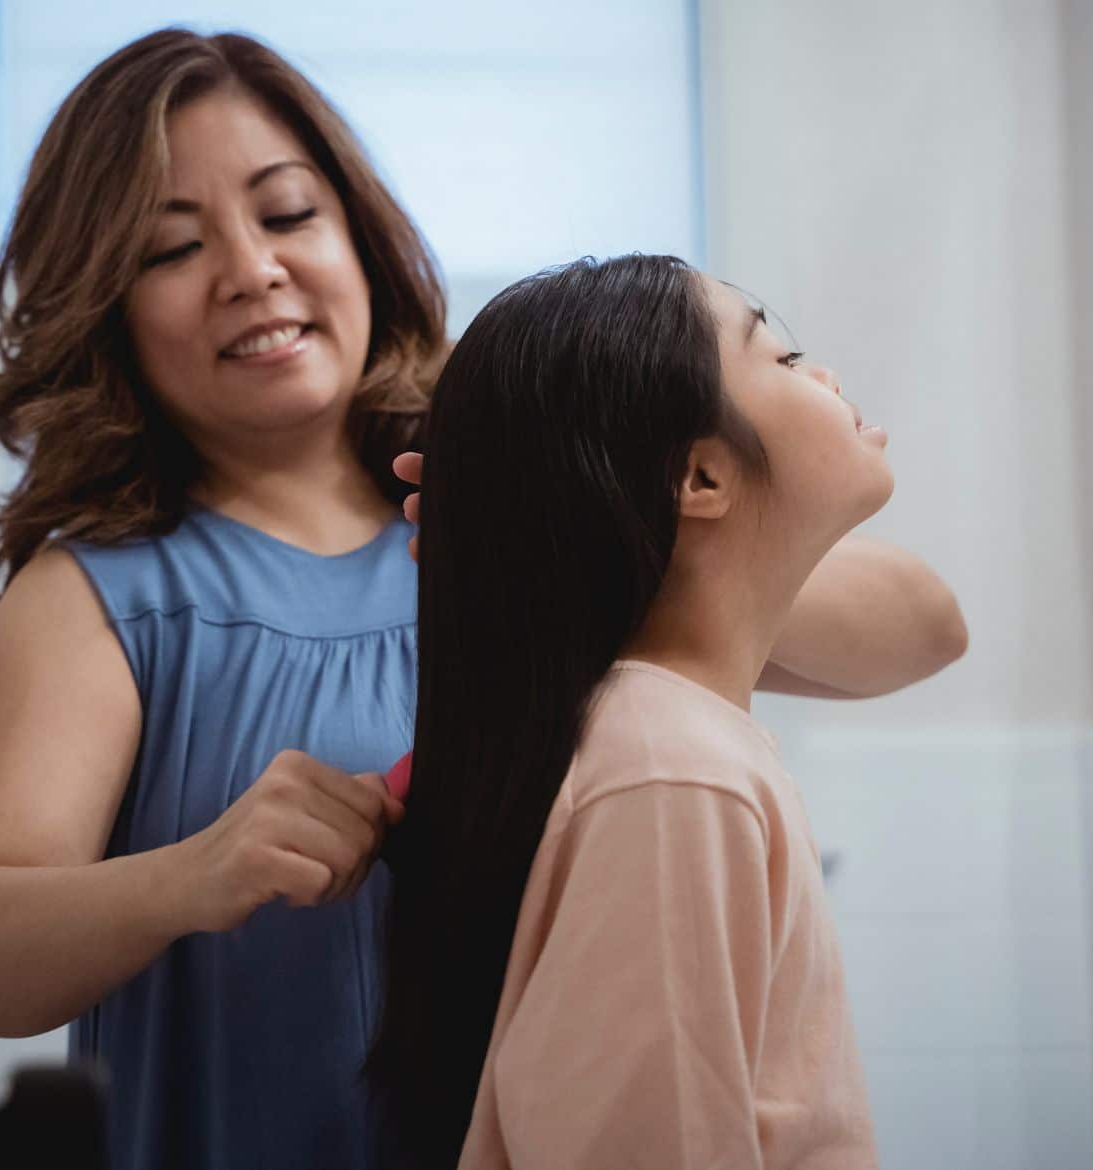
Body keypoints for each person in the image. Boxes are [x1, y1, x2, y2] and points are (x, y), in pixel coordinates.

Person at [0, 28, 963, 1170]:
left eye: (289, 214)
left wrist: (560, 531)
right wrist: (197, 873)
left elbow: (921, 628)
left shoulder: (522, 537)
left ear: (360, 234)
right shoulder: (100, 600)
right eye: (172, 248)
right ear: (105, 306)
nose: (251, 269)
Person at [369, 254, 902, 1169]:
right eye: (782, 358)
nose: (824, 376)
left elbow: (938, 626)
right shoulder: (672, 774)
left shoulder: (675, 747)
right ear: (698, 477)